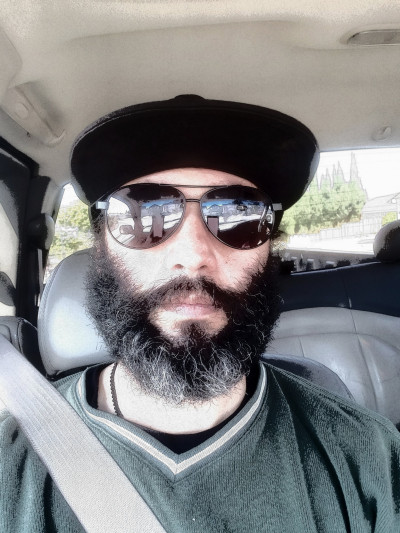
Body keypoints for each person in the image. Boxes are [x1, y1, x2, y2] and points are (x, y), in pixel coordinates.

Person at [1, 94, 400, 532]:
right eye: (143, 213)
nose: (193, 257)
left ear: (271, 246)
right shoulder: (11, 463)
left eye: (238, 216)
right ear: (102, 246)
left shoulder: (368, 455)